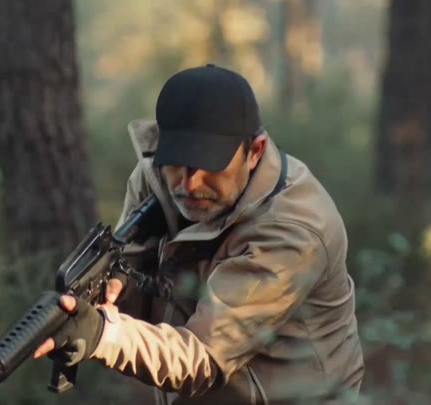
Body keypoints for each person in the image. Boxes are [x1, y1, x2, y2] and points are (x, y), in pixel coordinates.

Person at [33, 64, 364, 404]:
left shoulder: (294, 231)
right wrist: (115, 288)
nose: (189, 184)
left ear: (255, 151)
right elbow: (138, 289)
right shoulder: (156, 180)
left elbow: (203, 357)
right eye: (177, 161)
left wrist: (104, 336)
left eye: (209, 165)